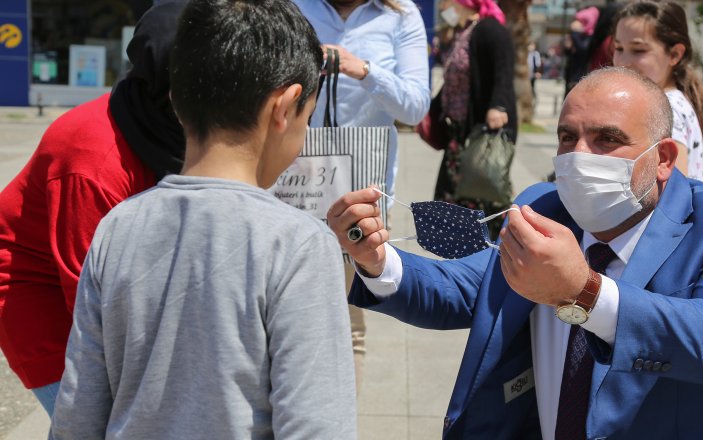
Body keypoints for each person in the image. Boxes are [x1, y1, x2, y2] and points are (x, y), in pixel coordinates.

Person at [330, 67, 703, 439]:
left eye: (607, 139)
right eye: (568, 137)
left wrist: (583, 292)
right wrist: (375, 260)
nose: (579, 156)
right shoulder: (545, 206)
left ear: (663, 158)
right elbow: (468, 287)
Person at [49, 0, 356, 438]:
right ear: (285, 108)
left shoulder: (117, 227)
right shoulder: (299, 244)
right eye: (307, 119)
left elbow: (77, 418)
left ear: (177, 101)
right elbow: (318, 427)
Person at [0, 0, 186, 415]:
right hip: (37, 293)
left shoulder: (164, 125)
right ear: (174, 86)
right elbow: (91, 299)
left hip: (106, 277)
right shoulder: (94, 161)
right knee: (94, 419)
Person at [294, 0, 430, 392]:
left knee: (347, 318)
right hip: (292, 180)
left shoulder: (400, 15)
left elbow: (416, 106)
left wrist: (364, 70)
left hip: (361, 191)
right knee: (288, 307)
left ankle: (337, 422)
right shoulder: (296, 7)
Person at [613, 0, 703, 189]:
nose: (623, 61)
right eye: (618, 49)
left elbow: (674, 191)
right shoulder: (666, 100)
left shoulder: (667, 108)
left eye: (639, 50)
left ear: (675, 54)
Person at [433, 0, 517, 238]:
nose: (442, 8)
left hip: (479, 133)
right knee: (452, 201)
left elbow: (504, 72)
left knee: (480, 195)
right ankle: (457, 255)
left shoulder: (490, 30)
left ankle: (485, 255)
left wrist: (498, 105)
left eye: (446, 2)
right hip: (458, 134)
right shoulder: (463, 31)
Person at [563, 6, 598, 95]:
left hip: (581, 78)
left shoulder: (589, 37)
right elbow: (569, 53)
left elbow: (582, 49)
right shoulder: (579, 36)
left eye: (582, 21)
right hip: (571, 76)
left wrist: (575, 33)